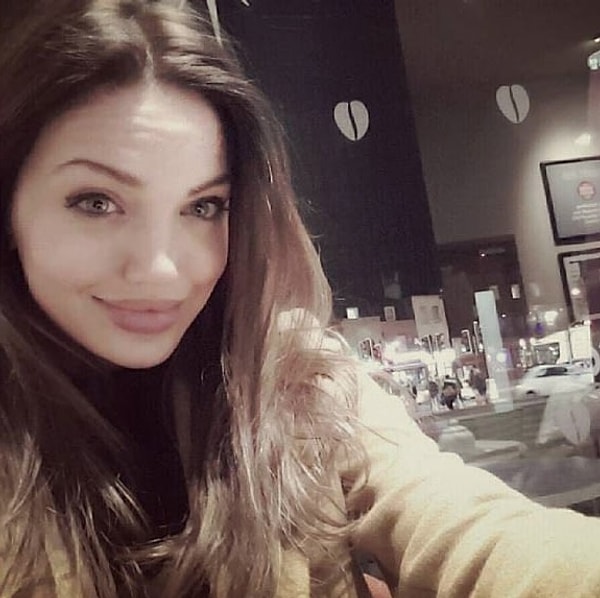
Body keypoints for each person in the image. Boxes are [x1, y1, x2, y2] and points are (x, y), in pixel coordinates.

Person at [2, 2, 600, 597]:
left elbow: (464, 526)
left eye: (204, 206)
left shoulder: (290, 374)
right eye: (96, 202)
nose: (162, 270)